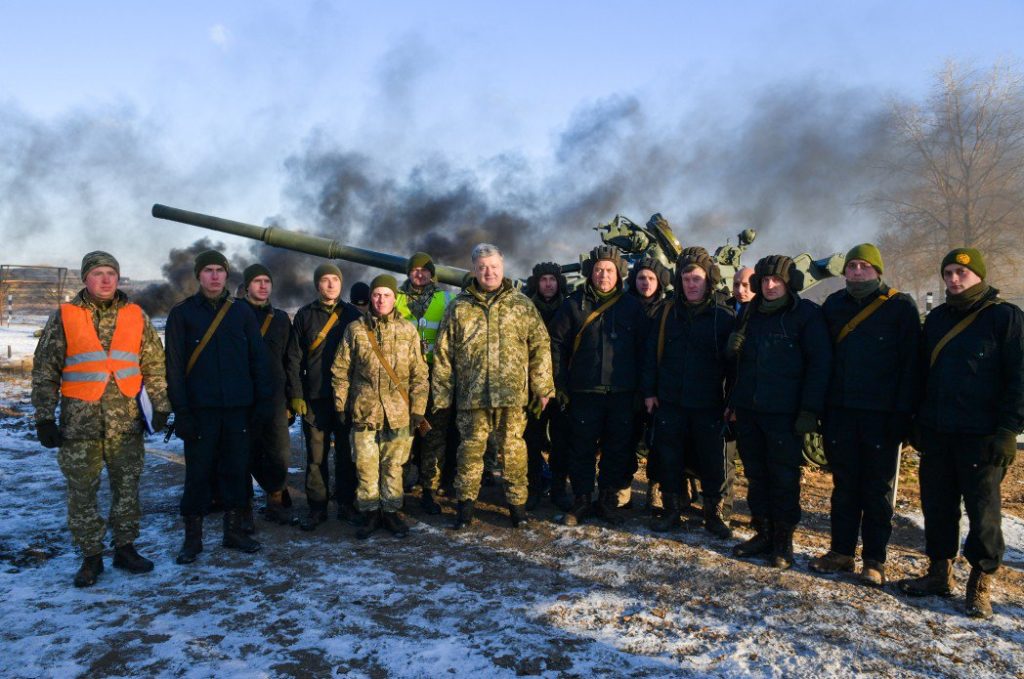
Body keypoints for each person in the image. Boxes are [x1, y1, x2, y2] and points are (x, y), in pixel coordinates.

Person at [32, 251, 171, 587]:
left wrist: (161, 406)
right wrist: (43, 417)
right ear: (85, 279)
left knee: (127, 489)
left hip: (126, 423)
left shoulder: (136, 315)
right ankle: (91, 557)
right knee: (82, 492)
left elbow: (154, 365)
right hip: (80, 424)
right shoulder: (65, 316)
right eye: (98, 273)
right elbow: (45, 369)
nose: (106, 279)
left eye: (111, 273)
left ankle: (125, 548)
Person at [899, 248, 1023, 619]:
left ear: (979, 276)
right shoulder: (937, 319)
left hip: (982, 435)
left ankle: (980, 582)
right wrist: (915, 420)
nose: (954, 280)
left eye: (961, 273)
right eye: (948, 273)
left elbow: (1020, 379)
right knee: (936, 504)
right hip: (937, 430)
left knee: (983, 511)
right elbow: (921, 374)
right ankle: (939, 572)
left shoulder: (1005, 318)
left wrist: (1008, 430)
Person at [809, 244, 920, 586]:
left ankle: (874, 559)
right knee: (844, 487)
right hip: (840, 412)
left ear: (878, 271)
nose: (857, 272)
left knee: (876, 489)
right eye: (852, 266)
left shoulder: (900, 307)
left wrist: (903, 415)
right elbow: (821, 357)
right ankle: (841, 551)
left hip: (881, 416)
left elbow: (911, 366)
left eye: (864, 267)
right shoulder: (834, 305)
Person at [432, 243, 554, 529]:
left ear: (502, 268)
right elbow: (444, 353)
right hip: (472, 395)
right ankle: (465, 507)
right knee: (470, 452)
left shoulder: (521, 304)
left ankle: (517, 507)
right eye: (483, 267)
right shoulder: (459, 306)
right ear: (474, 270)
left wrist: (543, 386)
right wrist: (442, 392)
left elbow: (540, 345)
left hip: (511, 394)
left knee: (514, 452)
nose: (489, 272)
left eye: (494, 267)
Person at [725, 255, 831, 569]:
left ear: (788, 283)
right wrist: (731, 353)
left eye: (777, 281)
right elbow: (738, 367)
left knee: (784, 478)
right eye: (765, 281)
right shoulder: (749, 314)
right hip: (749, 409)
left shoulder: (805, 316)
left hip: (784, 413)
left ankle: (783, 541)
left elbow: (819, 364)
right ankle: (763, 532)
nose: (770, 286)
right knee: (757, 476)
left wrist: (810, 409)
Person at [165, 250, 271, 564]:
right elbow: (174, 367)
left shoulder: (241, 313)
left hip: (238, 408)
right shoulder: (182, 314)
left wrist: (261, 404)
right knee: (197, 475)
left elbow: (258, 361)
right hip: (201, 411)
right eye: (208, 270)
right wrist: (181, 412)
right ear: (199, 276)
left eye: (219, 270)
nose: (214, 276)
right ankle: (192, 539)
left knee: (237, 471)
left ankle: (234, 532)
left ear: (227, 275)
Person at [549, 246, 647, 526]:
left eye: (609, 270)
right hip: (584, 391)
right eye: (598, 270)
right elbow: (556, 345)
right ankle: (581, 499)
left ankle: (606, 500)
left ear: (619, 274)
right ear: (590, 273)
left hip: (621, 393)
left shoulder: (631, 307)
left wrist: (641, 389)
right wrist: (560, 384)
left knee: (617, 449)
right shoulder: (573, 305)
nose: (603, 275)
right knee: (581, 448)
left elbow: (644, 350)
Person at [642, 250, 734, 537]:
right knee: (669, 457)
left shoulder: (723, 316)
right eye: (686, 278)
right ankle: (671, 509)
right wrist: (649, 391)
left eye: (697, 279)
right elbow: (650, 356)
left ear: (709, 281)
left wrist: (731, 401)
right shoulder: (667, 313)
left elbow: (735, 366)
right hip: (670, 399)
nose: (691, 284)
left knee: (712, 461)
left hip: (709, 402)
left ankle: (713, 514)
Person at [332, 275, 429, 538]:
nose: (381, 300)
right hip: (364, 411)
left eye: (386, 295)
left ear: (394, 297)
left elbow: (420, 374)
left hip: (398, 413)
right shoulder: (355, 330)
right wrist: (341, 406)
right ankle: (370, 513)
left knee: (393, 465)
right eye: (376, 295)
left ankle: (392, 512)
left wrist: (418, 408)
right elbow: (340, 371)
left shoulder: (407, 330)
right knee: (365, 465)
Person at [289, 263, 363, 530]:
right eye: (325, 280)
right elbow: (294, 360)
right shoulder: (304, 316)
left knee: (346, 455)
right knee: (316, 458)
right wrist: (297, 394)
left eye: (335, 279)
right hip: (316, 398)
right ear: (317, 284)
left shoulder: (353, 314)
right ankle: (317, 507)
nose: (331, 284)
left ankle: (346, 504)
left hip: (346, 399)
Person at [240, 263, 301, 526]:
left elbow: (291, 359)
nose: (263, 286)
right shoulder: (235, 314)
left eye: (267, 281)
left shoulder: (279, 319)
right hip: (243, 397)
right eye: (257, 281)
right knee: (244, 453)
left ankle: (275, 500)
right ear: (247, 286)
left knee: (279, 452)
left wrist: (293, 396)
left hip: (275, 397)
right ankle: (242, 510)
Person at [394, 252, 455, 514]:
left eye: (425, 270)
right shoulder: (395, 298)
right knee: (402, 434)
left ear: (433, 274)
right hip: (403, 378)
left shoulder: (446, 299)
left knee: (433, 436)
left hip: (436, 375)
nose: (420, 274)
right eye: (414, 270)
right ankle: (398, 489)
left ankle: (430, 490)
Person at [523, 262, 572, 510]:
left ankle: (558, 488)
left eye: (552, 280)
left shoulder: (570, 307)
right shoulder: (525, 308)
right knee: (531, 440)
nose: (548, 284)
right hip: (532, 387)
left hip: (561, 385)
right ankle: (533, 488)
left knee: (562, 442)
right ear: (536, 283)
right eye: (543, 280)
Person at [626, 256, 673, 513]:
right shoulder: (624, 306)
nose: (645, 283)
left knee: (659, 443)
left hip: (657, 386)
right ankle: (623, 490)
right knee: (626, 440)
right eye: (641, 277)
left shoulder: (668, 309)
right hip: (629, 385)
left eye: (651, 278)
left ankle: (654, 490)